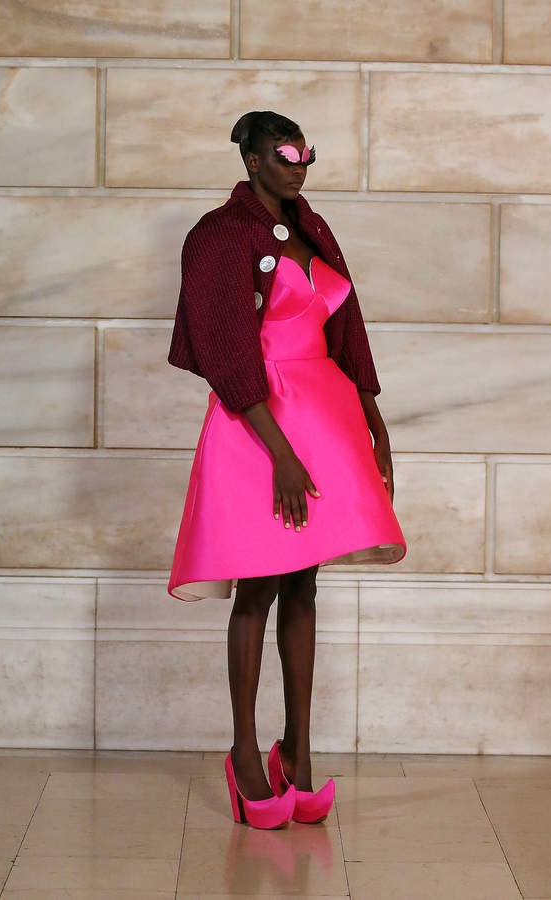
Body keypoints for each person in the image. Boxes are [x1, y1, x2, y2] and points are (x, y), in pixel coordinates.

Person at [167, 110, 407, 828]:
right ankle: (245, 759)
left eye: (306, 154)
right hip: (258, 421)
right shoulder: (219, 234)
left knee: (304, 583)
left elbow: (347, 331)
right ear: (251, 160)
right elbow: (222, 346)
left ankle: (296, 754)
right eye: (284, 154)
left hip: (324, 415)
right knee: (259, 585)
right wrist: (278, 453)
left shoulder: (313, 228)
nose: (298, 166)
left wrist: (374, 421)